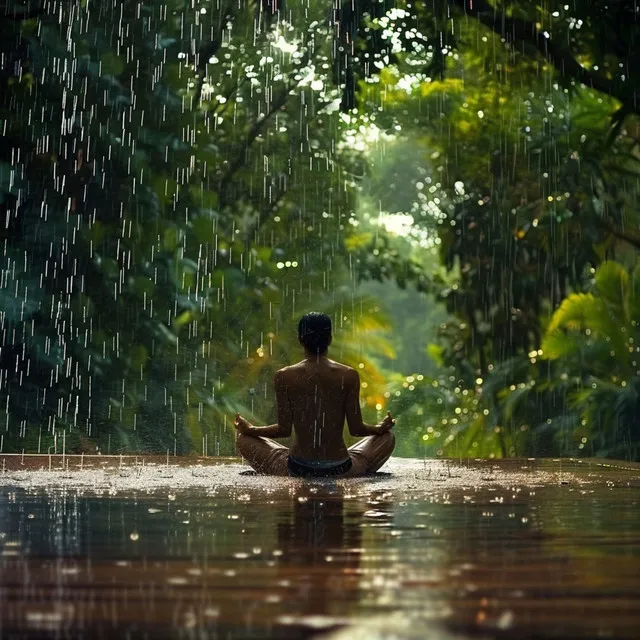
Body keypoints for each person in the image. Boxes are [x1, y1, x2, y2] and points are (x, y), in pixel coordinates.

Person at [234, 311, 396, 477]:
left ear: (300, 340)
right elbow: (357, 429)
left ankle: (281, 468)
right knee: (387, 437)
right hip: (340, 468)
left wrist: (251, 429)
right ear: (330, 339)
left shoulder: (284, 376)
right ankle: (355, 469)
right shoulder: (348, 375)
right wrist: (379, 428)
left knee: (243, 438)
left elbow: (283, 430)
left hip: (297, 468)